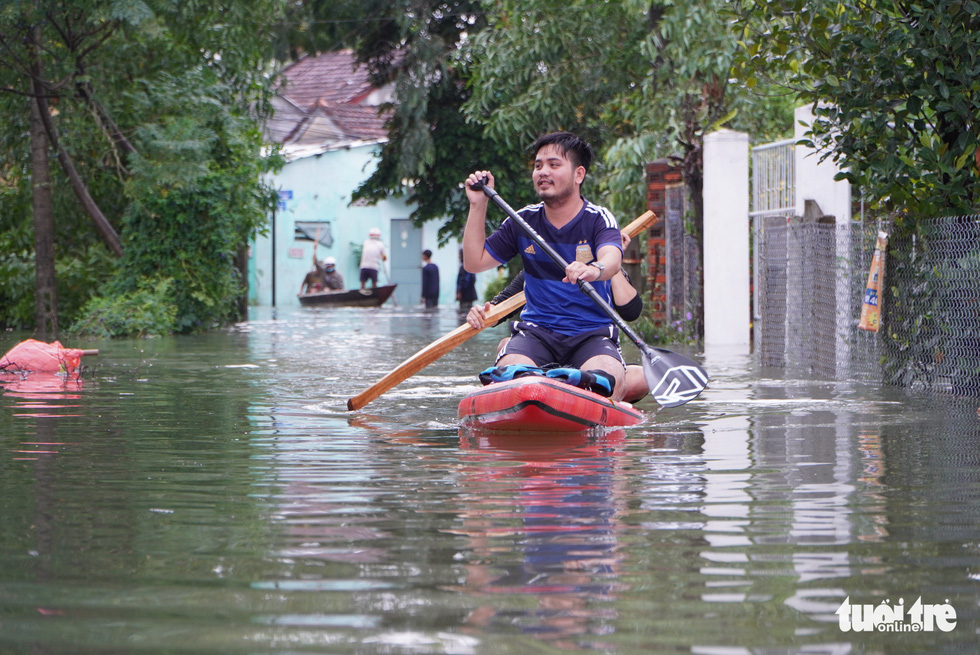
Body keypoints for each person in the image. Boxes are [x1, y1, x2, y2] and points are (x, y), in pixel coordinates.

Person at [462, 131, 627, 400]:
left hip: (591, 335)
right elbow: (474, 262)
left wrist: (593, 269)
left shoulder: (598, 218)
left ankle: (598, 379)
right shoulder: (522, 220)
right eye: (538, 166)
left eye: (553, 164)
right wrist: (477, 205)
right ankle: (542, 378)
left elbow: (611, 258)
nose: (542, 172)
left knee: (608, 378)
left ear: (578, 174)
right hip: (536, 332)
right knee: (509, 370)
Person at [469, 231, 650, 403]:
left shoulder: (606, 267)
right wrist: (481, 313)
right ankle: (547, 379)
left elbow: (631, 312)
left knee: (642, 379)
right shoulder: (539, 267)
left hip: (589, 347)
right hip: (541, 343)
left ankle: (578, 384)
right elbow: (500, 307)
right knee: (505, 345)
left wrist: (613, 259)